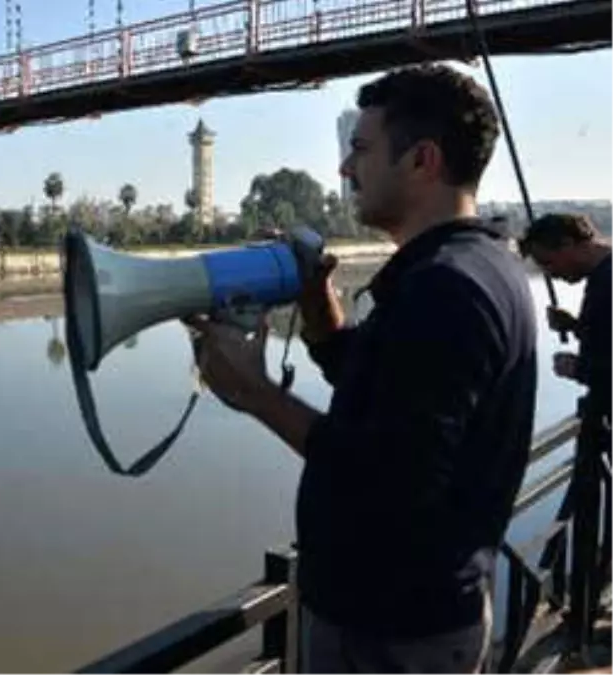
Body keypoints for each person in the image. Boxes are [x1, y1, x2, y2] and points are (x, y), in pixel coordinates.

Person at [187, 64, 537, 673]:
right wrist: (320, 312)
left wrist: (255, 391)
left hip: (393, 635)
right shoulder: (474, 266)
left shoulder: (445, 290)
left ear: (422, 160)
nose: (347, 169)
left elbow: (387, 475)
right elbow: (391, 392)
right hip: (416, 616)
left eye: (361, 149)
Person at [520, 212, 613, 399]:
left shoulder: (607, 282)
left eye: (548, 262)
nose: (549, 273)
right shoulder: (602, 277)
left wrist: (578, 369)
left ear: (567, 244)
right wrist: (575, 326)